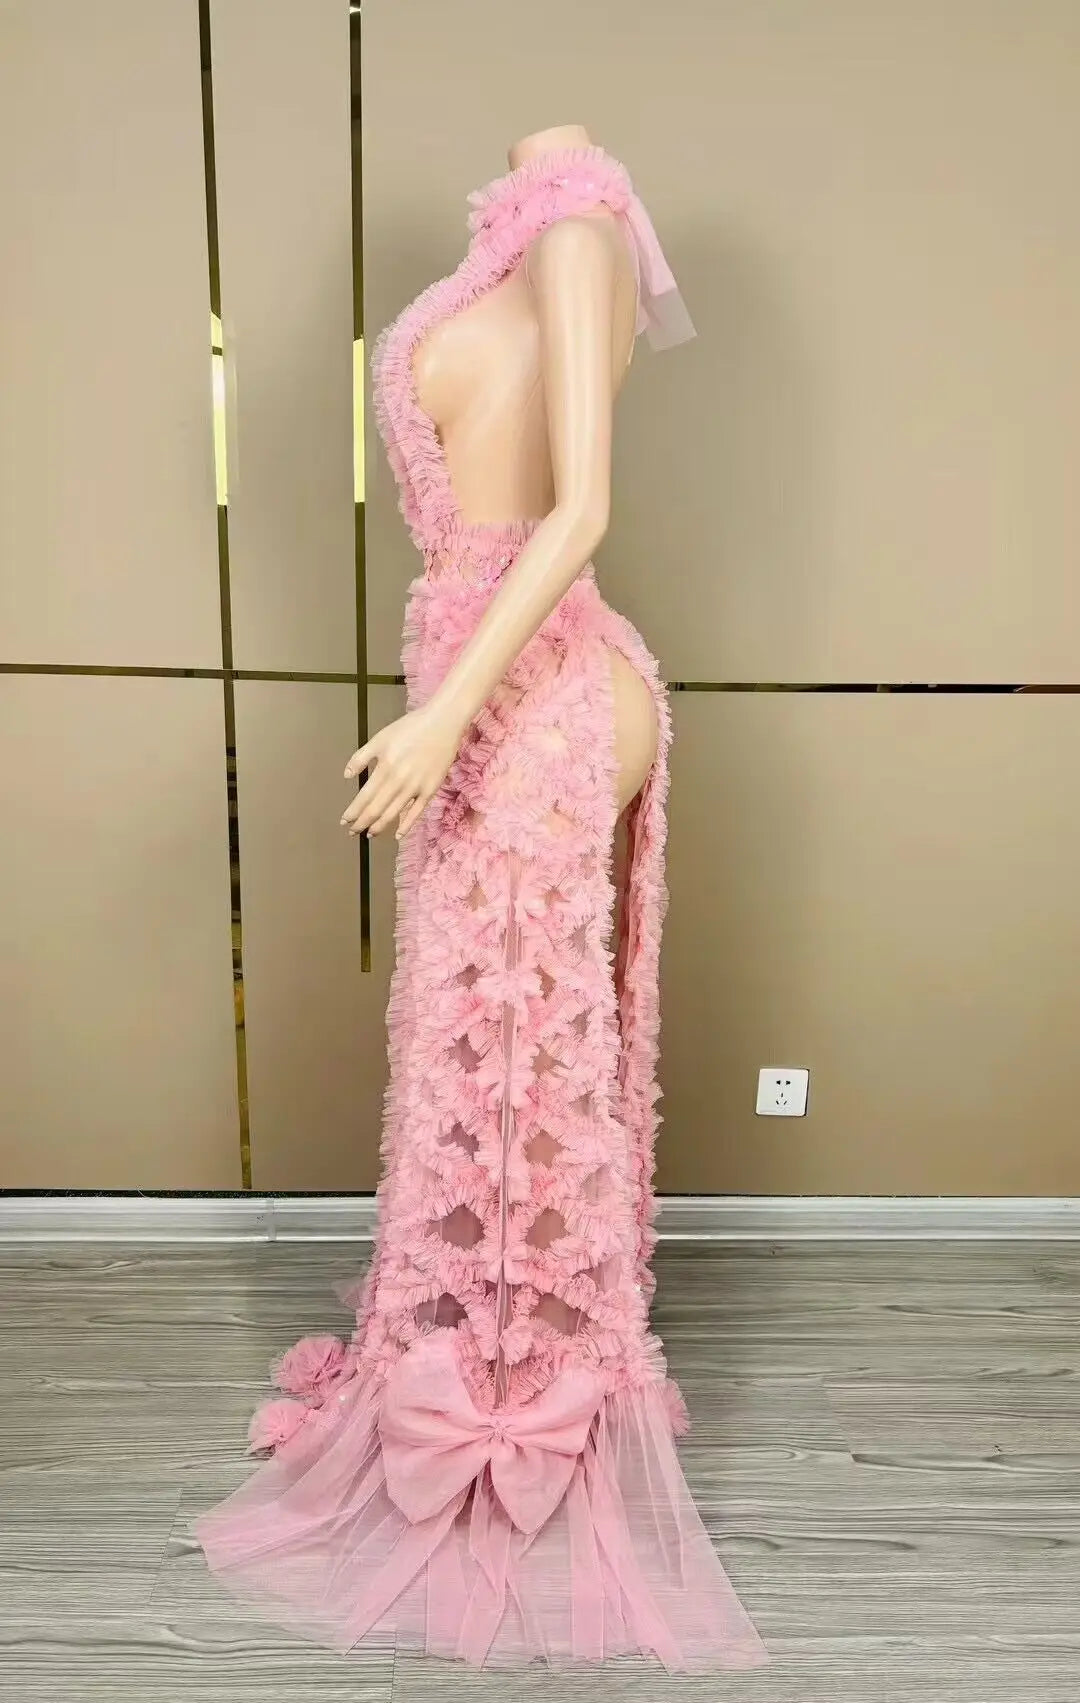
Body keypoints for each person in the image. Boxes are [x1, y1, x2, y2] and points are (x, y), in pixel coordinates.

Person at [196, 124, 767, 1675]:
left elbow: (578, 514)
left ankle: (535, 1379)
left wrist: (447, 719)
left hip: (540, 689)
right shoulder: (515, 248)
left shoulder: (578, 230)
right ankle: (470, 1334)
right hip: (475, 681)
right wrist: (443, 709)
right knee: (469, 1048)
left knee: (525, 1049)